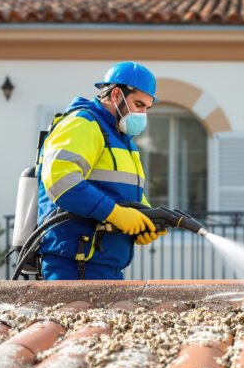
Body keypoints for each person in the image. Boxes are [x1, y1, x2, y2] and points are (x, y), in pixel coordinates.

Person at [36, 62, 166, 280]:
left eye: (147, 108)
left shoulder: (125, 142)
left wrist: (145, 220)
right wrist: (115, 214)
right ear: (116, 95)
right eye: (139, 104)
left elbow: (128, 194)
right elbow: (61, 180)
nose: (143, 114)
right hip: (74, 265)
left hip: (105, 265)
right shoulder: (83, 124)